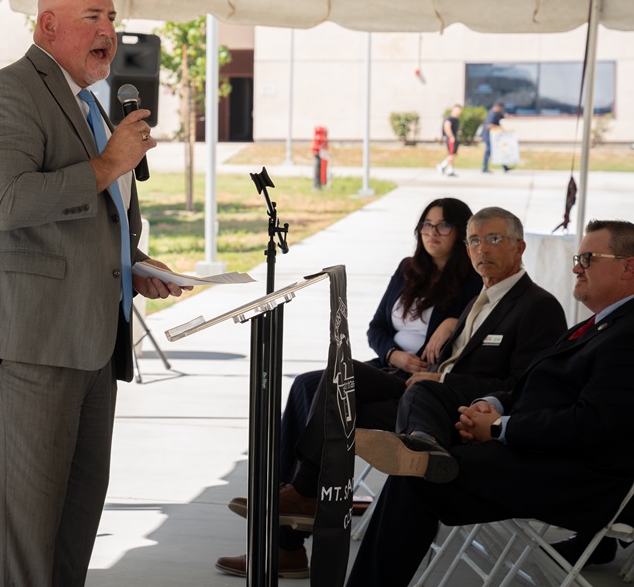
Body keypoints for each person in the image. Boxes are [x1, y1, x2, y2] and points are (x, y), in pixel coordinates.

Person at [0, 0, 191, 587]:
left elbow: (94, 211)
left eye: (111, 18)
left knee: (71, 532)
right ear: (47, 25)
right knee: (23, 541)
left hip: (87, 344)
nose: (108, 31)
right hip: (24, 343)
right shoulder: (9, 95)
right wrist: (109, 162)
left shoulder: (89, 101)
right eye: (91, 18)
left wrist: (132, 265)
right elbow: (6, 201)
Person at [217, 206, 565, 578]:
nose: (483, 249)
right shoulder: (482, 298)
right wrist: (426, 370)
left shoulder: (537, 306)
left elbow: (521, 387)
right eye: (475, 241)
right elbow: (380, 329)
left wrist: (441, 382)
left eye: (494, 239)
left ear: (520, 247)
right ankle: (296, 511)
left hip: (449, 411)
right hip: (419, 388)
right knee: (330, 377)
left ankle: (299, 506)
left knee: (338, 391)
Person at [346, 219, 634, 587]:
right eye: (578, 257)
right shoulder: (599, 325)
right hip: (532, 445)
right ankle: (425, 443)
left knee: (415, 477)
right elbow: (532, 386)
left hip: (572, 474)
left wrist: (500, 429)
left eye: (588, 258)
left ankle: (422, 460)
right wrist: (491, 405)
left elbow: (593, 425)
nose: (576, 266)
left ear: (629, 266)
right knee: (426, 392)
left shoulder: (627, 335)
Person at [481, 100, 511, 173]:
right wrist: (499, 127)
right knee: (488, 151)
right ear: (497, 107)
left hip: (495, 136)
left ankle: (505, 167)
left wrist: (505, 116)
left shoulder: (497, 113)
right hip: (489, 136)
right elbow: (489, 125)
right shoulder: (491, 114)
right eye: (501, 109)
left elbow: (501, 116)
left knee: (499, 150)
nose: (501, 110)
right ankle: (484, 168)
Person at [436, 104, 462, 177]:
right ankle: (446, 168)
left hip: (454, 138)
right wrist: (451, 137)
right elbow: (447, 127)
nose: (458, 112)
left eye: (459, 110)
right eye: (457, 110)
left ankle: (444, 166)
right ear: (453, 109)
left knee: (453, 154)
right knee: (451, 154)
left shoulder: (456, 119)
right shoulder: (450, 118)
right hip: (451, 139)